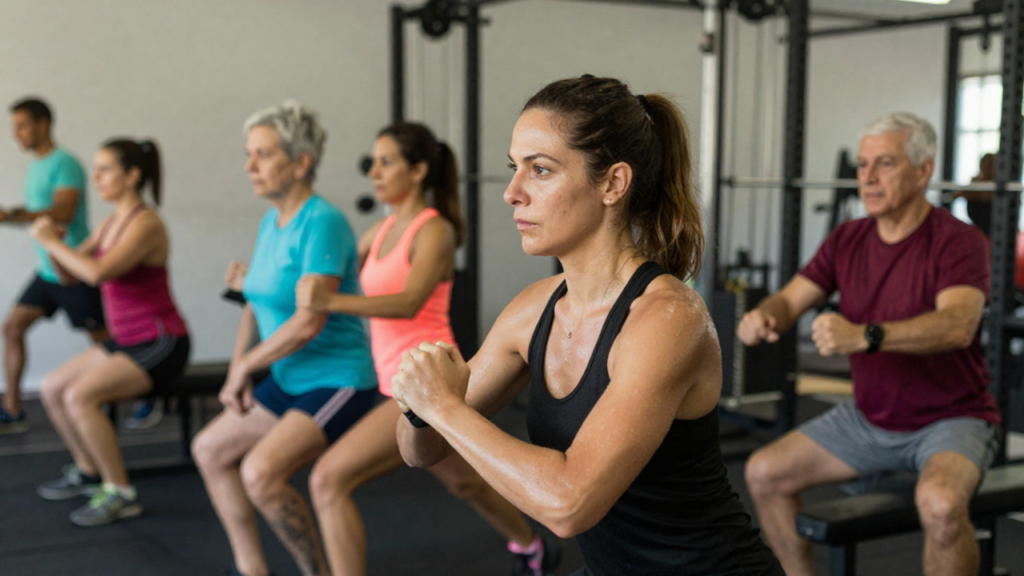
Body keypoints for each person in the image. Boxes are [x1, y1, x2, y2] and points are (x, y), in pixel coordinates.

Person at [392, 75, 784, 576]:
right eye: (515, 168)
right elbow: (418, 451)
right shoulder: (532, 309)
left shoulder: (666, 319)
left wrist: (441, 403)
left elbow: (568, 505)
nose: (513, 192)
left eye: (540, 170)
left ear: (613, 184)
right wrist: (422, 406)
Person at [739, 112, 999, 576]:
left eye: (885, 164)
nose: (868, 178)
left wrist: (867, 336)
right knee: (763, 473)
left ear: (923, 171)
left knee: (939, 505)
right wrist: (764, 316)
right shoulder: (848, 239)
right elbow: (790, 299)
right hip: (868, 418)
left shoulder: (959, 241)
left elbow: (958, 325)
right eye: (862, 165)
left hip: (951, 419)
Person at [295, 122, 558, 576]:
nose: (375, 172)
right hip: (389, 380)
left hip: (429, 382)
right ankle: (531, 545)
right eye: (372, 163)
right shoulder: (377, 232)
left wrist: (329, 300)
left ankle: (533, 544)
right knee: (464, 483)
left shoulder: (432, 230)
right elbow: (329, 271)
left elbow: (408, 301)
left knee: (328, 479)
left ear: (418, 171)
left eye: (386, 161)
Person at [191, 101, 378, 576]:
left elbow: (309, 321)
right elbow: (255, 302)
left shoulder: (323, 222)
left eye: (264, 155)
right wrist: (239, 369)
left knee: (261, 473)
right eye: (249, 155)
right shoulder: (270, 223)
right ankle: (252, 569)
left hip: (337, 380)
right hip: (288, 377)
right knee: (209, 450)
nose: (250, 166)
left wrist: (247, 367)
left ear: (301, 163)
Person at [31, 138, 191, 526]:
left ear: (132, 175)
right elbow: (71, 274)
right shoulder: (108, 223)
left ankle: (120, 491)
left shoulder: (146, 223)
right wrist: (54, 242)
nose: (96, 178)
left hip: (161, 342)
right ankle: (88, 471)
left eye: (105, 169)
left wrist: (51, 240)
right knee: (52, 387)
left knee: (81, 396)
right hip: (126, 341)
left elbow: (99, 273)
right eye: (96, 169)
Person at [0, 97, 107, 434]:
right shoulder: (36, 166)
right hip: (47, 272)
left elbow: (62, 213)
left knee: (105, 342)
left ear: (42, 124)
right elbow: (39, 216)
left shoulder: (66, 164)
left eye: (22, 125)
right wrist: (11, 216)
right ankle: (12, 410)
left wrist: (11, 215)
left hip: (74, 270)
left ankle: (145, 395)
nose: (16, 134)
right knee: (12, 327)